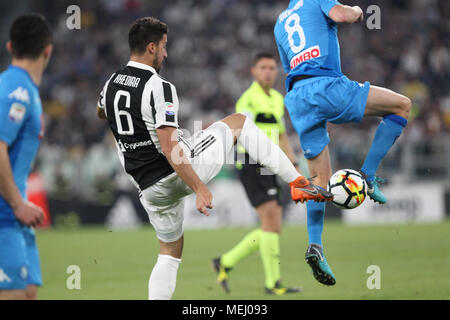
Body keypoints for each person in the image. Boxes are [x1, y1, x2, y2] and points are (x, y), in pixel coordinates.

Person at [96, 17, 333, 300]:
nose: (166, 53)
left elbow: (102, 111)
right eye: (164, 46)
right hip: (176, 172)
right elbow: (171, 147)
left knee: (170, 253)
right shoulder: (159, 86)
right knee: (240, 122)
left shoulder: (111, 83)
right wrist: (199, 187)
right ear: (151, 48)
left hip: (147, 188)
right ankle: (297, 182)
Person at [274, 0, 411, 286]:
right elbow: (342, 15)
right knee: (402, 106)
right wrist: (358, 11)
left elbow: (289, 68)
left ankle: (315, 246)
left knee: (318, 182)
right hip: (327, 85)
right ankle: (369, 176)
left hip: (299, 98)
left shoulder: (280, 22)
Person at [212, 53, 301, 295]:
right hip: (251, 162)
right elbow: (243, 134)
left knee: (272, 225)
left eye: (272, 68)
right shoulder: (247, 100)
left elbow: (281, 135)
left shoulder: (277, 99)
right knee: (271, 223)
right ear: (253, 71)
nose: (268, 72)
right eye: (263, 67)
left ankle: (226, 261)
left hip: (272, 164)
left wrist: (293, 165)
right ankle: (272, 283)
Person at [0, 13, 52, 300]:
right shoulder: (15, 91)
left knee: (29, 291)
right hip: (6, 213)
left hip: (16, 214)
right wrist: (18, 204)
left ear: (10, 47)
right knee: (15, 294)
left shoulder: (25, 89)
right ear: (48, 50)